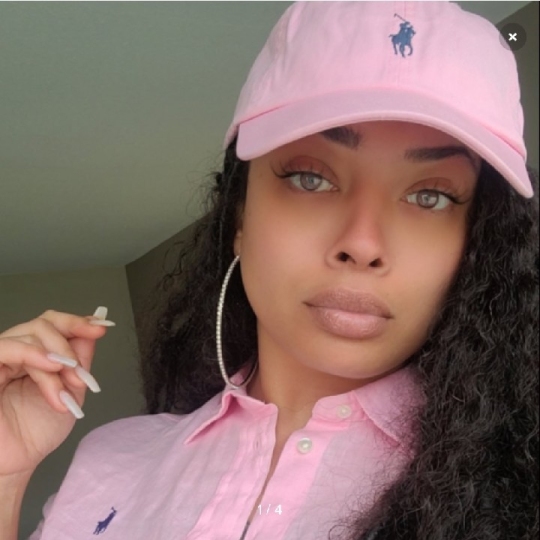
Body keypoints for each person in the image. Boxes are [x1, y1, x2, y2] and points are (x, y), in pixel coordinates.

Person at [0, 2, 538, 539]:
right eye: (310, 179)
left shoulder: (520, 486)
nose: (362, 244)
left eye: (430, 196)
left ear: (478, 244)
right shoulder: (112, 458)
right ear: (238, 216)